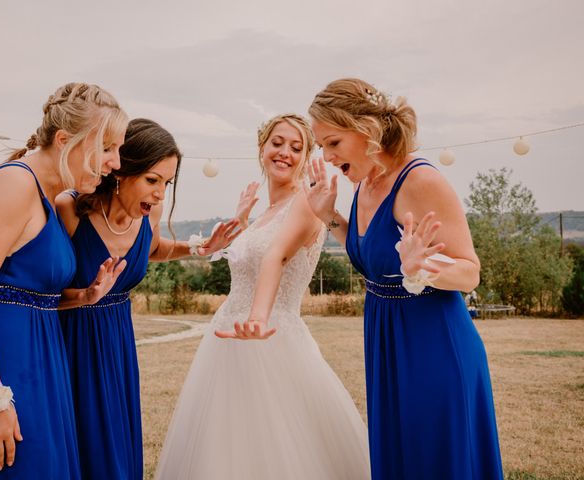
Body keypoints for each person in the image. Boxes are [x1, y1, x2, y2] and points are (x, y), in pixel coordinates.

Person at [306, 78, 503, 479]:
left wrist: (420, 270)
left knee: (432, 460)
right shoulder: (364, 182)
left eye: (332, 143)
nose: (326, 157)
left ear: (365, 129)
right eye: (321, 146)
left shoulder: (420, 180)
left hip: (433, 346)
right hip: (385, 340)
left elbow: (470, 272)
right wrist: (330, 215)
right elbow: (373, 256)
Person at [155, 114, 370, 480]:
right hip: (228, 339)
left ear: (306, 158)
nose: (284, 152)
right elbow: (248, 259)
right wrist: (239, 224)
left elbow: (275, 258)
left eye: (296, 147)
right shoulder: (264, 213)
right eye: (277, 143)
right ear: (261, 148)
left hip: (270, 338)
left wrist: (257, 317)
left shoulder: (305, 202)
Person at [0, 82, 128, 479]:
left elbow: (25, 293)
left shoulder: (49, 197)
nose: (115, 163)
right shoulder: (14, 184)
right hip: (0, 372)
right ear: (65, 140)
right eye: (107, 148)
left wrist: (83, 296)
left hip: (42, 368)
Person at [56, 117, 241, 480]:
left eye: (167, 183)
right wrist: (84, 296)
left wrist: (199, 247)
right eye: (152, 180)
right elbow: (40, 286)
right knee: (80, 442)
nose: (160, 194)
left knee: (117, 445)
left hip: (118, 340)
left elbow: (154, 249)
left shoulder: (149, 215)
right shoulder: (70, 209)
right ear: (121, 171)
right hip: (70, 339)